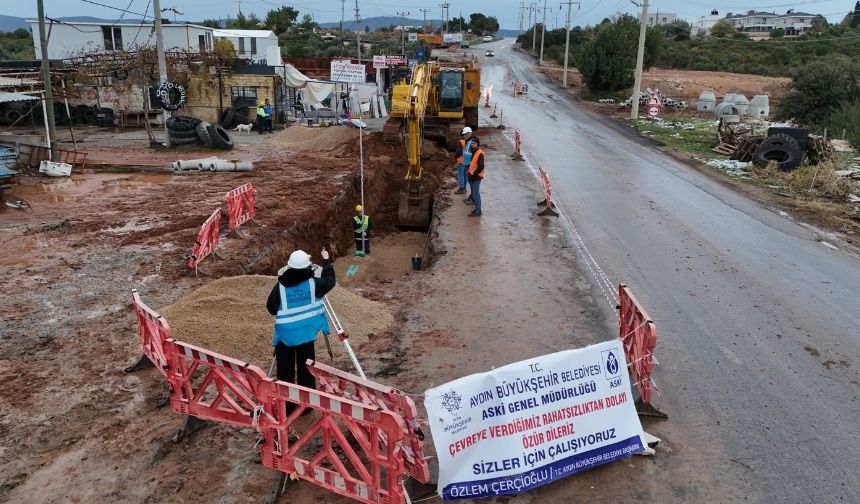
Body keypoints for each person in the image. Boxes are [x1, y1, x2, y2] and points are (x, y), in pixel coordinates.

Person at [266, 248, 336, 411]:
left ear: (290, 267)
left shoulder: (280, 287)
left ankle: (288, 407)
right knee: (306, 368)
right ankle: (307, 406)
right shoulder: (314, 284)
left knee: (285, 371)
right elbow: (329, 281)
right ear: (307, 267)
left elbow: (271, 307)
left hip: (285, 336)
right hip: (306, 333)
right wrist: (326, 261)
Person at [454, 127, 479, 196]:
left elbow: (458, 152)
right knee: (465, 175)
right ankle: (464, 188)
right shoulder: (469, 141)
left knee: (460, 175)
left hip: (461, 161)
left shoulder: (461, 141)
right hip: (467, 162)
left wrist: (455, 157)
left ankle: (461, 188)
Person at [467, 140, 486, 217]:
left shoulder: (480, 153)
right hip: (473, 175)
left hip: (476, 176)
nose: (472, 145)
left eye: (474, 143)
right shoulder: (474, 151)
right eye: (471, 143)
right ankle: (477, 209)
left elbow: (481, 166)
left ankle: (478, 211)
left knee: (476, 193)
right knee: (475, 193)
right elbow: (473, 164)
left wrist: (473, 175)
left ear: (477, 144)